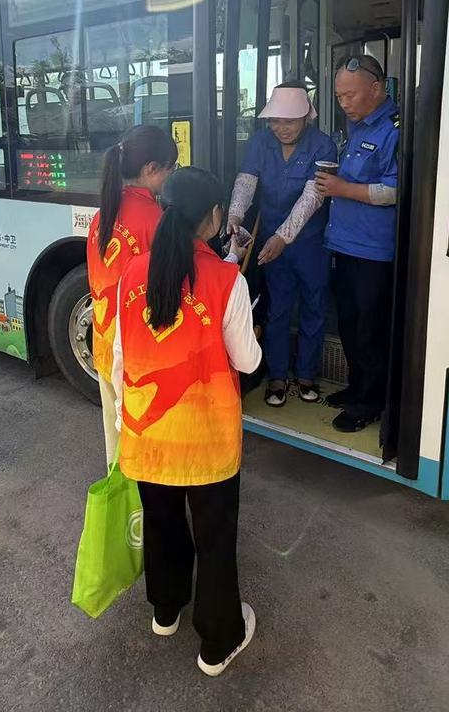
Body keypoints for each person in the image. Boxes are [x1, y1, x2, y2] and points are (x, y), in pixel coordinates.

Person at [110, 167, 262, 676]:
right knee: (214, 537)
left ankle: (166, 609)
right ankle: (218, 642)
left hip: (147, 433)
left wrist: (123, 423)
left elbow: (120, 358)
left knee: (162, 522)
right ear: (215, 216)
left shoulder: (132, 272)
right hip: (207, 440)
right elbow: (247, 361)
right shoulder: (227, 279)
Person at [226, 83, 337, 407]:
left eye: (289, 121)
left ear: (306, 118)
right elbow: (247, 181)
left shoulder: (323, 145)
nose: (281, 127)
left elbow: (313, 197)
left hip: (310, 243)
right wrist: (235, 215)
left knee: (314, 307)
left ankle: (306, 375)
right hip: (270, 241)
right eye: (275, 120)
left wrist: (283, 237)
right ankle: (277, 375)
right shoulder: (261, 142)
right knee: (277, 308)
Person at [315, 54, 400, 434]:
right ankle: (357, 387)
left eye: (350, 95)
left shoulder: (394, 130)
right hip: (345, 243)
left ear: (377, 88)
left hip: (374, 250)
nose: (344, 103)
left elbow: (394, 191)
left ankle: (371, 402)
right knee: (349, 323)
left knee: (370, 329)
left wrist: (342, 188)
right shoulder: (356, 126)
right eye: (338, 96)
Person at [86, 125, 179, 466]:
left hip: (104, 341)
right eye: (171, 168)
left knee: (115, 437)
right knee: (144, 439)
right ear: (151, 169)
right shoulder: (155, 219)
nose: (171, 175)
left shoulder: (103, 214)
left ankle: (120, 492)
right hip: (138, 354)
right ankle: (142, 497)